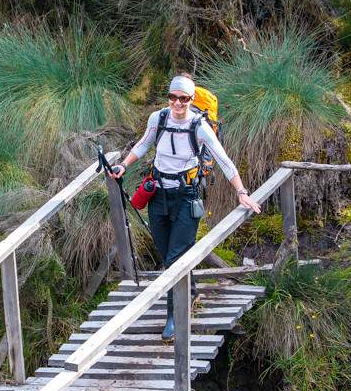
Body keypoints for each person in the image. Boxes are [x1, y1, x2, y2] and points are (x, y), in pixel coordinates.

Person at [110, 73, 261, 341]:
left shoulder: (199, 127)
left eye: (184, 99)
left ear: (191, 100)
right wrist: (124, 164)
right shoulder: (158, 118)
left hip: (186, 197)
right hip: (158, 195)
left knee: (174, 259)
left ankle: (174, 315)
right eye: (173, 97)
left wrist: (241, 192)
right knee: (166, 251)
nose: (178, 103)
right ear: (168, 97)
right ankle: (190, 292)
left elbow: (224, 161)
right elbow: (145, 143)